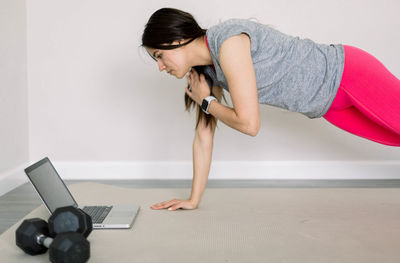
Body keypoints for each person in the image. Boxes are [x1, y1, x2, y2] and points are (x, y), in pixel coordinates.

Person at [141, 8, 400, 211]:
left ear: (177, 39)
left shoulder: (228, 42)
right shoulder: (209, 72)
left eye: (159, 56)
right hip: (329, 106)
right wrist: (193, 199)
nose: (160, 67)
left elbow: (249, 124)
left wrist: (208, 102)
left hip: (347, 75)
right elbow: (203, 136)